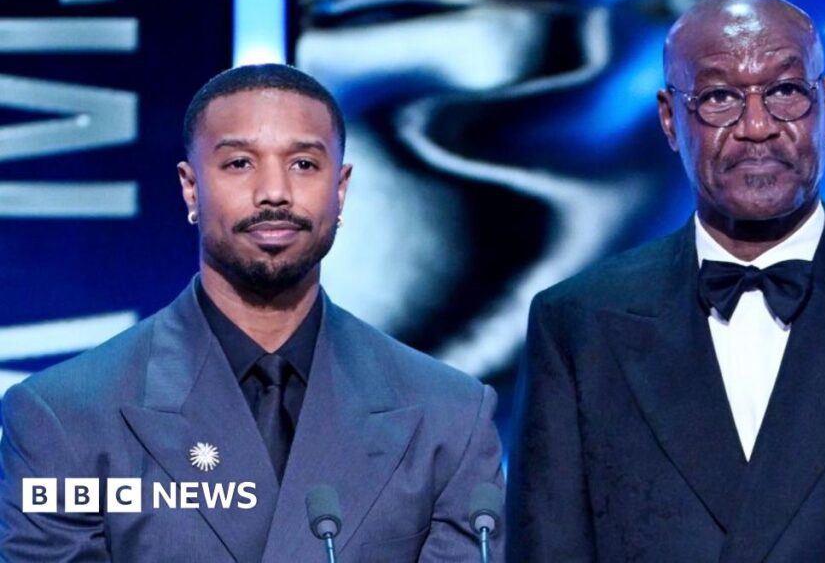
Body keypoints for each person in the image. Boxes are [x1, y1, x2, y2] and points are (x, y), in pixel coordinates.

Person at [507, 0, 825, 561]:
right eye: (720, 97)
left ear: (824, 104)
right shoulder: (578, 325)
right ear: (670, 119)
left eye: (784, 92)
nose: (757, 126)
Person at [0, 64, 504, 562]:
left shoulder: (451, 418)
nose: (274, 192)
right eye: (240, 163)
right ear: (190, 187)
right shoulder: (65, 418)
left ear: (341, 187)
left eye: (304, 164)